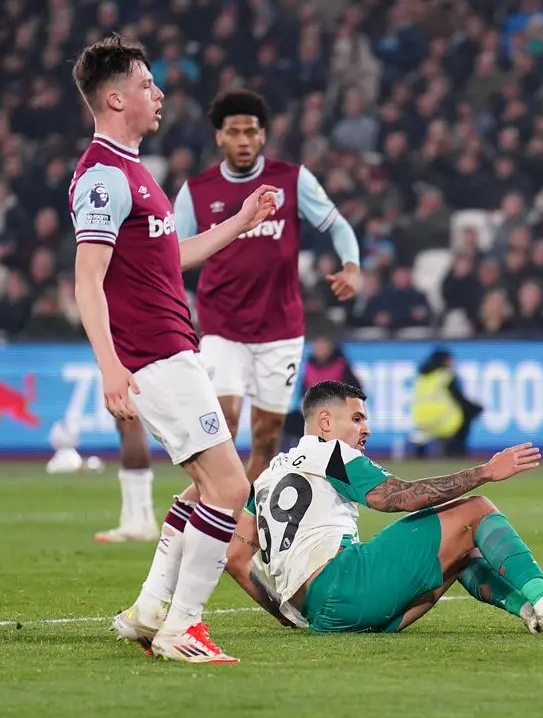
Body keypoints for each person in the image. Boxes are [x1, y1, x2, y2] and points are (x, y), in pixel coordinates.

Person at [68, 34, 279, 663]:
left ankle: (150, 610)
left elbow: (168, 261)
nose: (158, 94)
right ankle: (183, 626)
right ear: (114, 97)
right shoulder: (104, 178)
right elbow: (87, 277)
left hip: (171, 349)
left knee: (200, 489)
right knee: (230, 487)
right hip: (155, 356)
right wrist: (111, 366)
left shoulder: (134, 172)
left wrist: (238, 223)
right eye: (146, 84)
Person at [225, 380, 543, 635]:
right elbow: (396, 497)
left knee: (462, 550)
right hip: (345, 583)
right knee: (475, 511)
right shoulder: (330, 453)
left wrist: (285, 614)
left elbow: (236, 558)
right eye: (358, 418)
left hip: (323, 615)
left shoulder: (263, 479)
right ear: (325, 422)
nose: (366, 429)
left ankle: (531, 612)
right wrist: (485, 472)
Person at [172, 89, 361, 483]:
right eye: (234, 132)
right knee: (224, 421)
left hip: (280, 330)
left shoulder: (292, 180)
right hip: (222, 326)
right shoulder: (197, 192)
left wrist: (352, 267)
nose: (243, 141)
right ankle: (213, 510)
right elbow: (171, 255)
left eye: (251, 132)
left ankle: (248, 526)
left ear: (263, 135)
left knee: (266, 436)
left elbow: (338, 225)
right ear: (219, 136)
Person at [280, 335, 361, 445]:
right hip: (313, 412)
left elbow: (356, 390)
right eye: (317, 346)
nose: (319, 349)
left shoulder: (341, 366)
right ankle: (288, 456)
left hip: (336, 413)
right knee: (285, 422)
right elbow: (304, 392)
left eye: (322, 346)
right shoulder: (309, 367)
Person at [409, 348, 483, 458]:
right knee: (468, 413)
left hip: (422, 422)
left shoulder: (422, 377)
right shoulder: (446, 375)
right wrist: (477, 408)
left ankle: (419, 454)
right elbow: (459, 398)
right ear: (445, 361)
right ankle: (459, 452)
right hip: (443, 422)